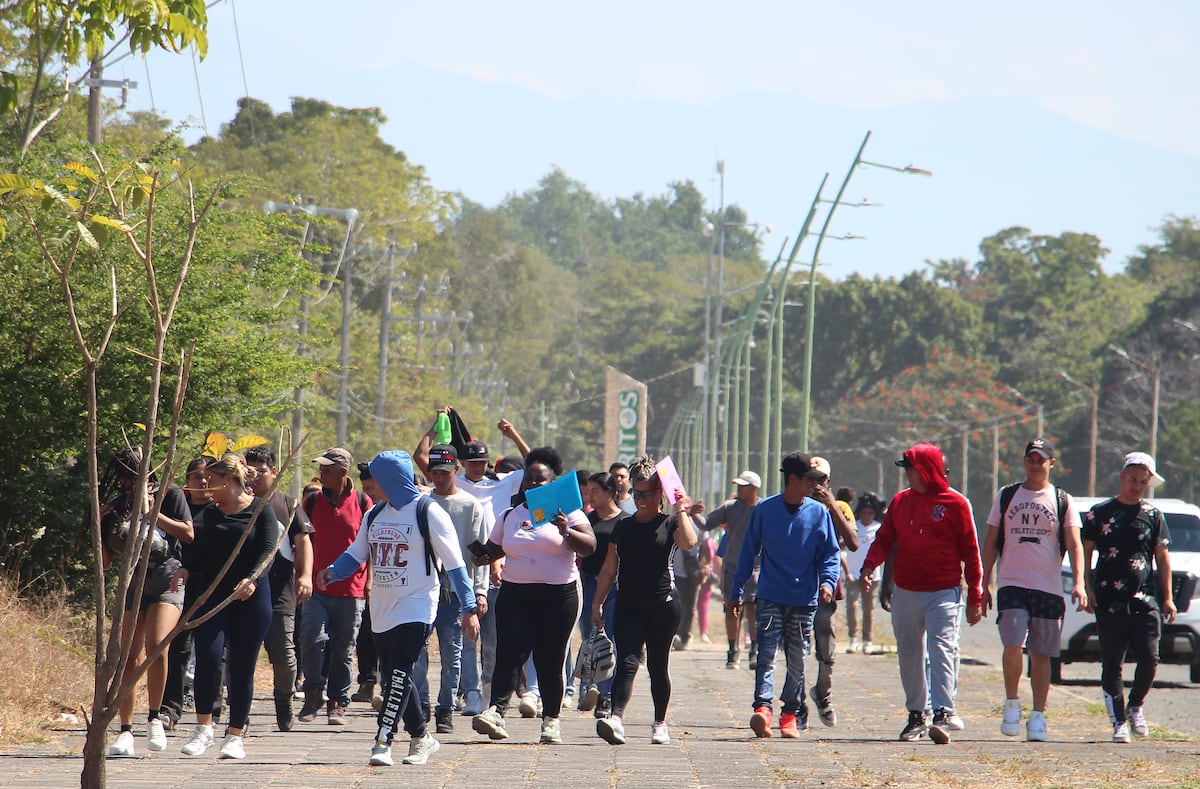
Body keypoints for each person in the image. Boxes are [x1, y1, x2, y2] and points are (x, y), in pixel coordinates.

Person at [315, 450, 481, 766]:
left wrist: (470, 608)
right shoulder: (375, 515)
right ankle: (422, 737)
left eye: (375, 480)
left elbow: (456, 565)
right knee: (396, 676)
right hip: (382, 608)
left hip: (418, 604)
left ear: (391, 479)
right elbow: (356, 554)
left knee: (399, 672)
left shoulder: (429, 512)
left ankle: (383, 742)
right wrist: (333, 570)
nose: (370, 486)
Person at [858, 442, 984, 744]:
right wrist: (868, 568)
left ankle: (943, 712)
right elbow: (884, 539)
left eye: (911, 470)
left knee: (941, 648)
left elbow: (971, 551)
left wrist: (976, 596)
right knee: (909, 653)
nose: (907, 476)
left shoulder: (956, 503)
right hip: (906, 589)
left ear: (926, 470)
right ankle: (917, 714)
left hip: (943, 591)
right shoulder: (901, 502)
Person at [470, 447, 596, 744]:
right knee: (509, 655)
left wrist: (566, 530)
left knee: (549, 659)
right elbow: (495, 549)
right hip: (516, 594)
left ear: (553, 484)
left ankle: (551, 721)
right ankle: (496, 713)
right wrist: (480, 555)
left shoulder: (570, 513)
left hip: (559, 596)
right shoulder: (511, 514)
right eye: (529, 480)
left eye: (541, 481)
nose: (534, 485)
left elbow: (589, 546)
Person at [979, 438, 1086, 742]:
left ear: (1051, 464)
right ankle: (1012, 703)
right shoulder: (1007, 495)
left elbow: (1075, 544)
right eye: (1031, 459)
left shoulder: (1063, 500)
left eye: (1041, 459)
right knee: (1012, 643)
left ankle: (1038, 715)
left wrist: (1079, 582)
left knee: (1041, 654)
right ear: (1024, 461)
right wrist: (983, 581)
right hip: (1012, 583)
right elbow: (990, 541)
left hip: (1048, 588)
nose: (1035, 464)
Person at [178, 453, 281, 760]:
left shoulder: (261, 511)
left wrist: (251, 579)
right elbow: (196, 550)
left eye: (212, 481)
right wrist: (185, 569)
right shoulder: (209, 514)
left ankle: (235, 734)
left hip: (251, 599)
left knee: (241, 667)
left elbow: (268, 550)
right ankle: (203, 729)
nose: (206, 486)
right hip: (212, 598)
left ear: (229, 481)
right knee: (208, 658)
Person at [729, 453, 840, 739]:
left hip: (805, 601)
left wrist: (827, 583)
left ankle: (790, 713)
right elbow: (747, 553)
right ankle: (763, 709)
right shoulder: (765, 510)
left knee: (798, 659)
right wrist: (736, 590)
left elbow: (830, 554)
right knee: (766, 654)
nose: (815, 485)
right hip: (770, 597)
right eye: (809, 480)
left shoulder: (819, 513)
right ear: (793, 480)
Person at [591, 455, 698, 745]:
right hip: (627, 604)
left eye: (647, 494)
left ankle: (660, 723)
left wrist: (682, 509)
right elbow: (609, 569)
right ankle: (616, 718)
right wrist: (597, 603)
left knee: (657, 667)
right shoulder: (623, 526)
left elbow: (689, 542)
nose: (640, 499)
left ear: (659, 494)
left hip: (663, 605)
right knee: (627, 661)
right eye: (636, 494)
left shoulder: (671, 522)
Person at [102, 448, 194, 758]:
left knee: (157, 646)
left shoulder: (171, 494)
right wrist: (97, 524)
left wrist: (155, 514)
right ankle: (126, 729)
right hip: (132, 581)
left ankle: (155, 717)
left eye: (132, 475)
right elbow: (104, 561)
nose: (128, 483)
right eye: (124, 477)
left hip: (166, 577)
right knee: (128, 656)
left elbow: (188, 533)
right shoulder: (117, 506)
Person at [1082, 451, 1176, 743]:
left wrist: (1168, 597)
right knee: (1112, 662)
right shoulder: (1099, 513)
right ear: (1122, 477)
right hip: (1109, 600)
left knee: (1150, 657)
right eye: (1132, 479)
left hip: (1144, 599)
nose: (1136, 486)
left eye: (1142, 482)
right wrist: (1086, 587)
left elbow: (1162, 558)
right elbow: (1084, 554)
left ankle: (1136, 706)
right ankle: (1118, 721)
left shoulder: (1152, 515)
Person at [413, 444, 491, 735]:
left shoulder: (470, 505)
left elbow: (479, 554)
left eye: (445, 472)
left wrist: (480, 591)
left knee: (452, 651)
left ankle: (446, 706)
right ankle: (421, 703)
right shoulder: (422, 503)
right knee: (418, 650)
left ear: (455, 471)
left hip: (457, 591)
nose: (439, 477)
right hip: (424, 588)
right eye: (434, 472)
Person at [298, 447, 372, 726]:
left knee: (343, 648)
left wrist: (370, 582)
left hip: (352, 588)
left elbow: (372, 547)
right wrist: (302, 576)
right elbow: (301, 541)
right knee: (312, 639)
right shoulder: (312, 502)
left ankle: (338, 701)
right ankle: (313, 693)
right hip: (317, 588)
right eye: (321, 469)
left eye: (327, 469)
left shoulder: (365, 503)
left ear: (343, 472)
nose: (321, 474)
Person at [244, 446, 315, 732]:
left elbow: (304, 542)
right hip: (244, 593)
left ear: (274, 472)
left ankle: (284, 701)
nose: (255, 478)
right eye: (249, 472)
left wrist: (306, 575)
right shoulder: (237, 503)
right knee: (241, 657)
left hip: (280, 593)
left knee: (285, 658)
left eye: (261, 471)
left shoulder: (288, 504)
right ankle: (240, 712)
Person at [161, 457, 213, 730]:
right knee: (178, 648)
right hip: (180, 585)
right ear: (187, 482)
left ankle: (213, 705)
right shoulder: (178, 510)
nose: (203, 482)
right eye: (196, 477)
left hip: (212, 585)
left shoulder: (220, 510)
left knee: (212, 649)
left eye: (207, 477)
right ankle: (170, 708)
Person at [806, 465, 860, 729]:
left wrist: (833, 507)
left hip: (825, 586)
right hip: (795, 584)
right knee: (796, 647)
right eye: (811, 479)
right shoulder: (795, 504)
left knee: (826, 645)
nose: (816, 486)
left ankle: (823, 692)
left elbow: (852, 541)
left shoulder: (839, 507)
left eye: (821, 480)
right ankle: (795, 704)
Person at [700, 470, 761, 670]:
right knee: (732, 610)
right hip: (733, 566)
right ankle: (733, 650)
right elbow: (707, 524)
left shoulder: (764, 509)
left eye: (743, 486)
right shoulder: (730, 508)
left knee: (752, 608)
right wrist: (692, 514)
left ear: (754, 488)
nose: (739, 490)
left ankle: (755, 650)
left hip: (756, 567)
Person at [577, 471, 622, 717]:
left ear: (610, 493)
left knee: (610, 641)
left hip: (616, 586)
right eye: (588, 491)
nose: (590, 495)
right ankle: (589, 688)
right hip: (588, 584)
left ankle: (605, 696)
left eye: (595, 491)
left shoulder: (624, 521)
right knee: (590, 638)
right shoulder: (585, 521)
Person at [352, 462, 384, 708]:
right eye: (366, 487)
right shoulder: (368, 507)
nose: (369, 492)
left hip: (376, 582)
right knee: (364, 636)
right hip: (358, 583)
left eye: (373, 486)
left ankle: (385, 683)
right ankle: (367, 681)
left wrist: (371, 579)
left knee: (382, 634)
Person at [844, 492, 884, 655]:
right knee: (852, 607)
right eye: (863, 513)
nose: (866, 516)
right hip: (853, 574)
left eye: (869, 513)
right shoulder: (853, 526)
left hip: (872, 576)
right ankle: (853, 639)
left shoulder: (879, 528)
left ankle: (867, 640)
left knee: (869, 609)